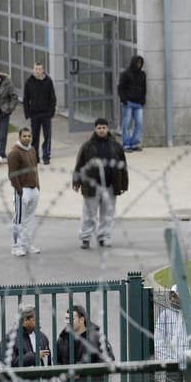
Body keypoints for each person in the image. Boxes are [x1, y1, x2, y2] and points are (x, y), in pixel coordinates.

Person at [72, 118, 128, 250]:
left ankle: (104, 236)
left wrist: (123, 184)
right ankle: (85, 237)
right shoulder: (87, 146)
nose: (101, 130)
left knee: (107, 213)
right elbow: (80, 164)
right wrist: (76, 180)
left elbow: (123, 166)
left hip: (110, 185)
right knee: (89, 214)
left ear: (107, 129)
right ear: (95, 129)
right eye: (99, 128)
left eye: (104, 128)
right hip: (92, 186)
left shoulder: (116, 146)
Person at [56, 305, 115, 382]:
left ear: (82, 320)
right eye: (66, 318)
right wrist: (66, 374)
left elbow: (108, 359)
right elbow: (56, 363)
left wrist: (83, 373)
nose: (67, 322)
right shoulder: (62, 339)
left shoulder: (96, 337)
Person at [7, 127, 40, 257]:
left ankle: (27, 244)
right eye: (24, 136)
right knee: (19, 220)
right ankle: (15, 246)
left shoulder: (32, 150)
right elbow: (12, 174)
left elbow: (35, 169)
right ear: (20, 137)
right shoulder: (14, 153)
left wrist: (38, 186)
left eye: (29, 136)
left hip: (34, 189)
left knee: (30, 220)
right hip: (22, 191)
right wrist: (19, 190)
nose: (27, 138)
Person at [23, 62, 56, 165]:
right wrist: (28, 113)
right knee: (34, 137)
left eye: (39, 69)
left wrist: (51, 113)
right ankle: (35, 157)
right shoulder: (29, 82)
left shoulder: (48, 81)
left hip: (46, 114)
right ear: (33, 70)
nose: (37, 71)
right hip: (35, 114)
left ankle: (46, 156)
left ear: (43, 70)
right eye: (36, 69)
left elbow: (52, 98)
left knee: (47, 136)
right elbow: (26, 99)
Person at [117, 55, 146, 152]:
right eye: (137, 62)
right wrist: (124, 100)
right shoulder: (126, 74)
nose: (139, 64)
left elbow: (144, 88)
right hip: (128, 103)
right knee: (126, 124)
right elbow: (120, 88)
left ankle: (134, 143)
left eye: (140, 63)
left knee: (139, 123)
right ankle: (126, 145)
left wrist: (143, 100)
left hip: (138, 104)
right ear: (133, 62)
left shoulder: (142, 74)